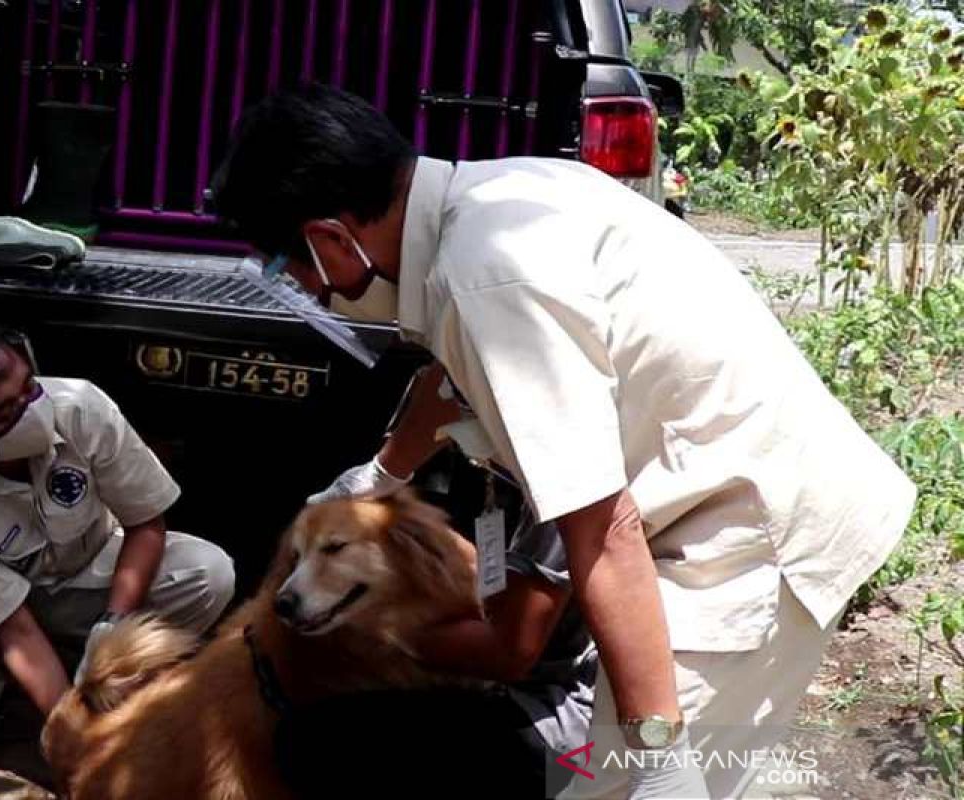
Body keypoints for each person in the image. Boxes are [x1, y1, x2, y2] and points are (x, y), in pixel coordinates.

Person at [211, 84, 916, 799]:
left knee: (644, 785)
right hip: (735, 505)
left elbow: (604, 531)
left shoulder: (489, 278)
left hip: (745, 542)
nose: (301, 287)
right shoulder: (498, 199)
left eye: (286, 265)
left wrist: (659, 757)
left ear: (329, 238)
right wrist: (381, 475)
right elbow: (446, 385)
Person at [0, 324, 236, 760]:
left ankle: (118, 681)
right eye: (5, 412)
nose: (31, 410)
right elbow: (15, 627)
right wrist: (77, 737)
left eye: (28, 387)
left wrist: (113, 626)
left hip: (90, 574)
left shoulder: (82, 407)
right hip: (1, 614)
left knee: (208, 572)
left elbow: (146, 524)